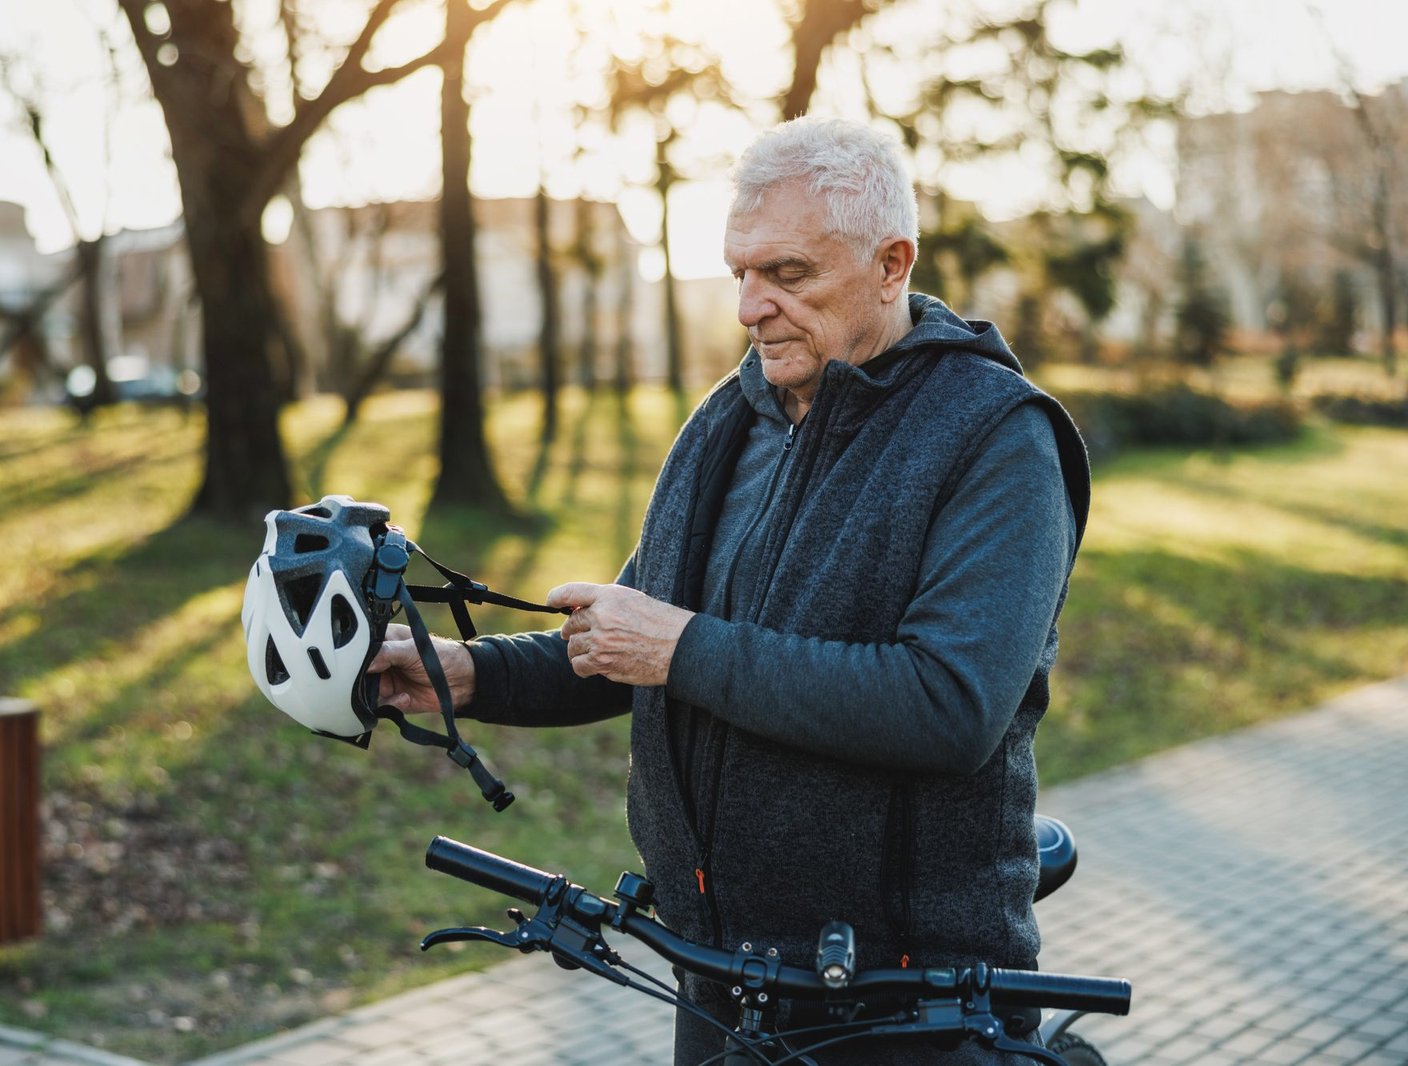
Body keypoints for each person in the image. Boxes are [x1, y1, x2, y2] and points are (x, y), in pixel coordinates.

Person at [368, 116, 1090, 1064]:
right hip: (716, 979)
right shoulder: (725, 422)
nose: (751, 307)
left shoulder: (995, 437)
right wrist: (465, 674)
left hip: (912, 999)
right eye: (739, 273)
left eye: (788, 274)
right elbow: (628, 641)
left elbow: (951, 705)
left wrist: (681, 648)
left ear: (891, 262)